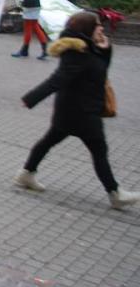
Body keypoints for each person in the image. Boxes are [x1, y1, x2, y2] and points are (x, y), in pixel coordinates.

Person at [14, 11, 140, 210]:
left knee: (48, 142)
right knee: (99, 150)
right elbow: (58, 79)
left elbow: (100, 71)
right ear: (87, 29)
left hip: (74, 110)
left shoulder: (88, 48)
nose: (101, 28)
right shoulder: (77, 53)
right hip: (81, 112)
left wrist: (106, 50)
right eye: (98, 25)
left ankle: (26, 174)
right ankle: (115, 193)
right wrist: (31, 98)